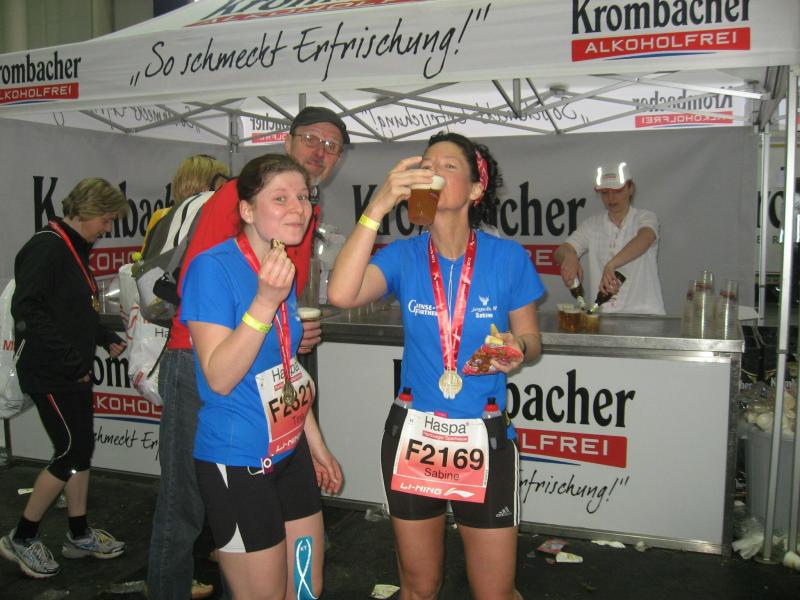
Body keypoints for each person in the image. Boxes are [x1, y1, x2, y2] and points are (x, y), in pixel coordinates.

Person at [328, 132, 544, 600]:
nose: (433, 172)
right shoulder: (404, 256)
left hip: (483, 434)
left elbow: (532, 341)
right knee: (419, 588)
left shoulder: (507, 257)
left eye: (448, 166)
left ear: (475, 189)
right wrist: (378, 205)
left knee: (494, 592)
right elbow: (341, 294)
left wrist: (516, 346)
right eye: (426, 164)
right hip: (416, 432)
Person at [147, 107, 347, 600]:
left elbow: (286, 369)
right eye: (281, 198)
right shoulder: (216, 264)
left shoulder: (280, 260)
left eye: (302, 198)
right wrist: (263, 303)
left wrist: (315, 444)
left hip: (288, 451)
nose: (298, 208)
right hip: (235, 452)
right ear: (248, 210)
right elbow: (218, 373)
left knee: (306, 588)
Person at [0, 178, 129, 579]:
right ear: (88, 211)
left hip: (68, 368)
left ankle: (78, 533)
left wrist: (103, 336)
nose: (107, 228)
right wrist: (72, 359)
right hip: (50, 370)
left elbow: (71, 308)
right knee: (72, 450)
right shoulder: (48, 247)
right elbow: (28, 311)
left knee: (79, 450)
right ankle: (22, 536)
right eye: (106, 220)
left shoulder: (70, 245)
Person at [555, 162, 665, 315]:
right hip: (604, 316)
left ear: (631, 189)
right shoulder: (592, 225)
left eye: (618, 191)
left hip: (646, 315)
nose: (611, 198)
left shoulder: (645, 217)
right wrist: (569, 256)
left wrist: (612, 264)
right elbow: (561, 251)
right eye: (605, 193)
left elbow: (645, 238)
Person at [141, 154, 230, 252]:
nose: (223, 191)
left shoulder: (161, 216)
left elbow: (146, 257)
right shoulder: (214, 218)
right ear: (205, 187)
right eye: (221, 186)